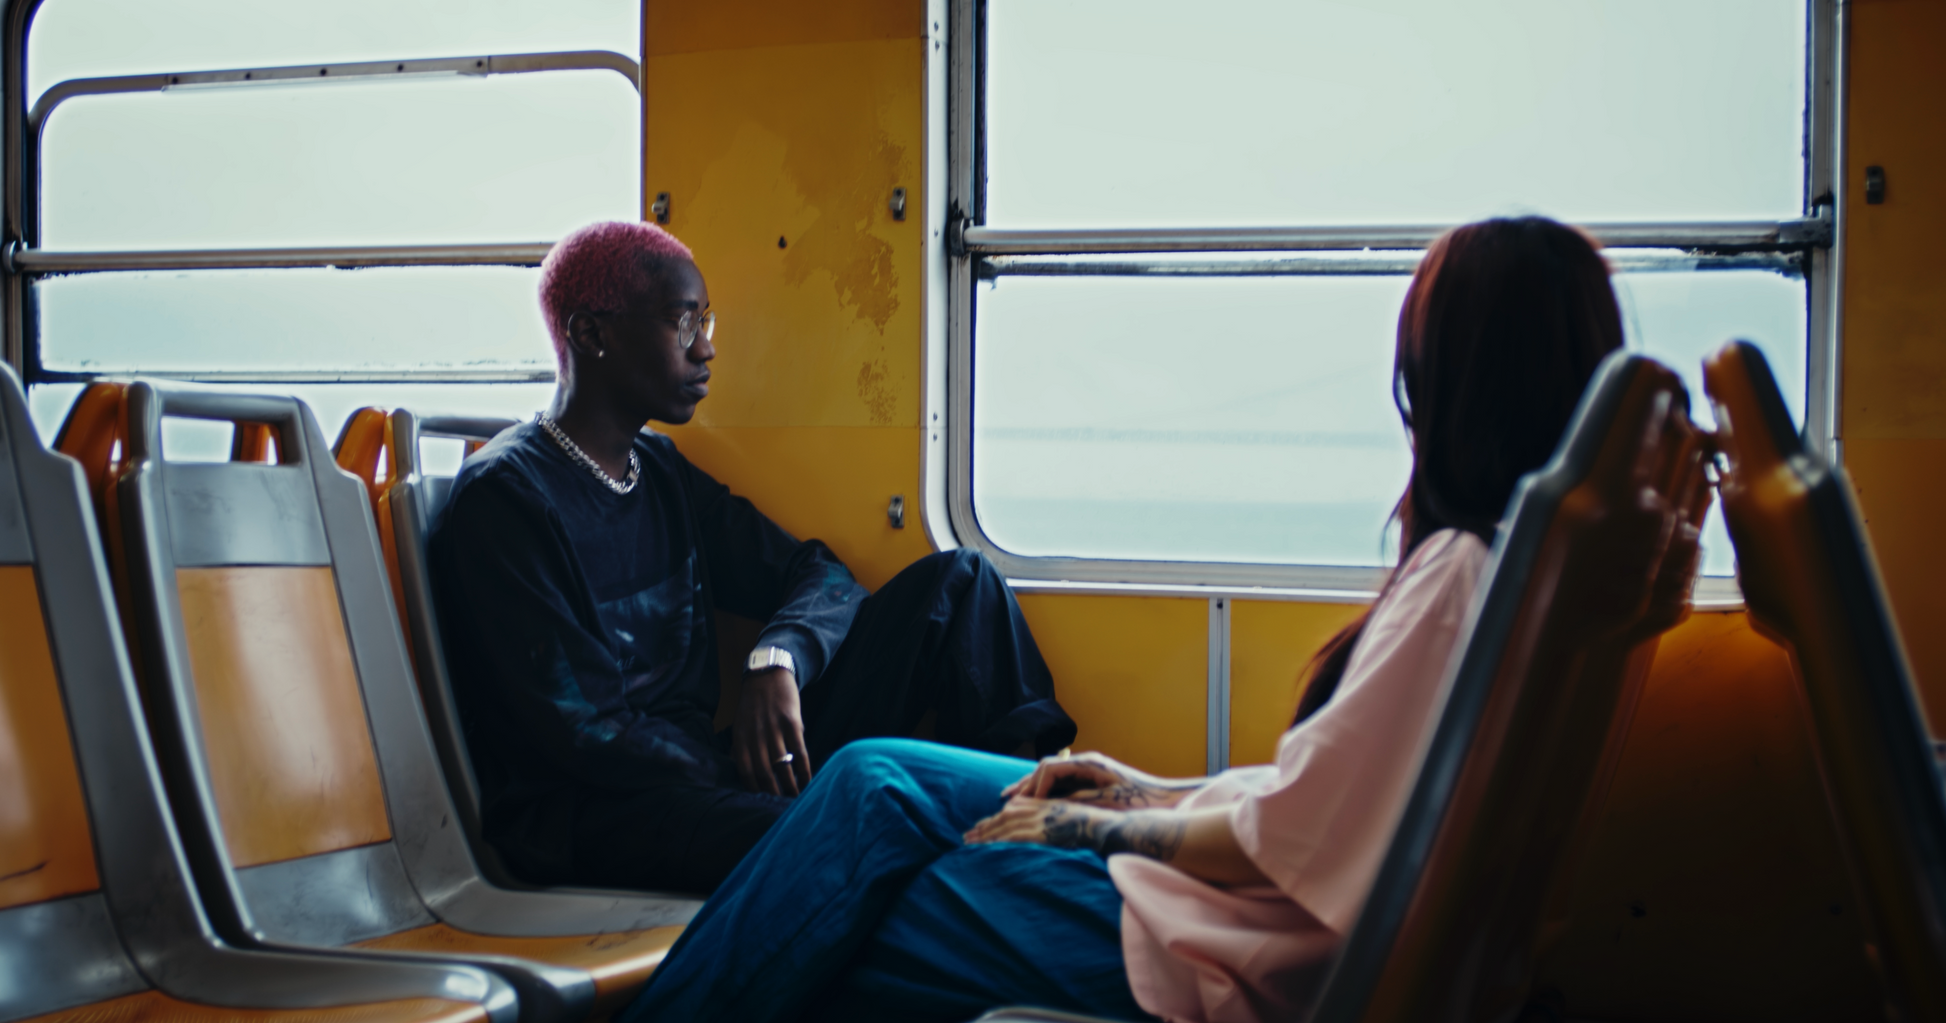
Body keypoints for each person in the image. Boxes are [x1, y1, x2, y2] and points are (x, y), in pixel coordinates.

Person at [619, 216, 1707, 1023]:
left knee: (850, 907)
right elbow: (1331, 803)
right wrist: (1141, 785)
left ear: (1447, 379)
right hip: (1261, 912)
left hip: (1228, 953)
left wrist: (1095, 828)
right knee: (867, 781)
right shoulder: (1547, 579)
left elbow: (1293, 843)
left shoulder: (1462, 579)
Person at [427, 220, 1076, 895]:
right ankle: (1005, 873)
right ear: (591, 335)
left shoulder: (658, 470)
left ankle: (1032, 814)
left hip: (707, 774)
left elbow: (819, 572)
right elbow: (580, 730)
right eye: (683, 326)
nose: (706, 350)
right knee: (866, 829)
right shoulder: (507, 499)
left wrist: (778, 657)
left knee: (960, 585)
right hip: (600, 816)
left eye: (708, 323)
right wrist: (764, 790)